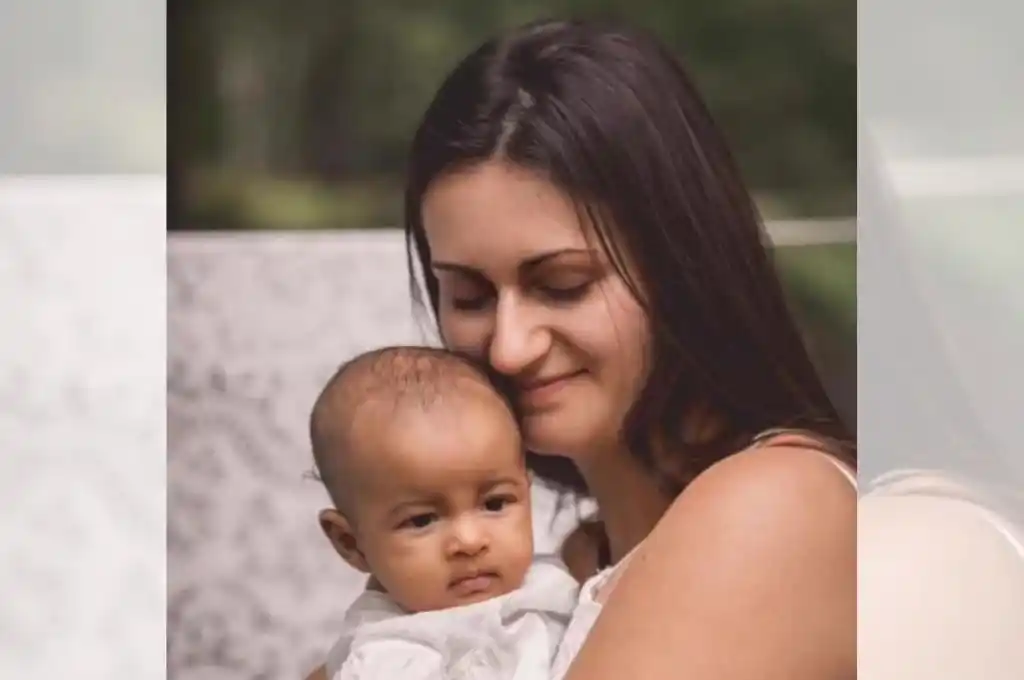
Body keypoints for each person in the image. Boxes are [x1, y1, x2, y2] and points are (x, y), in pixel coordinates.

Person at [305, 17, 855, 680]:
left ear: (681, 267)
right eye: (471, 297)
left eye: (563, 285)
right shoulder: (564, 567)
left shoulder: (773, 504)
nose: (508, 349)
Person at [308, 345, 578, 679]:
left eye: (494, 504)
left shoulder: (554, 586)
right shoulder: (387, 656)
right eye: (422, 520)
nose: (469, 541)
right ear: (350, 543)